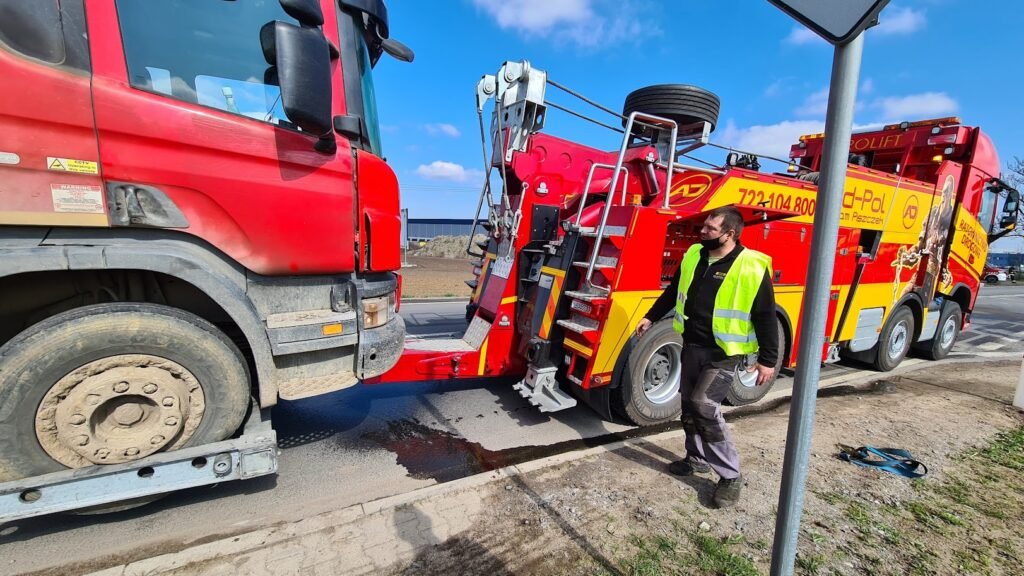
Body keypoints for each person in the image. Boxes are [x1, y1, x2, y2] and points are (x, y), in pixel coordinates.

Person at [635, 206, 778, 508]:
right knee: (688, 405)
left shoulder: (751, 266)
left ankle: (730, 475)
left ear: (730, 234)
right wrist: (651, 316)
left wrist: (768, 358)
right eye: (704, 227)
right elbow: (675, 290)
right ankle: (696, 458)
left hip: (724, 353)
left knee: (704, 406)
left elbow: (765, 314)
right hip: (692, 345)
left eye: (710, 229)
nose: (702, 232)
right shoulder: (694, 255)